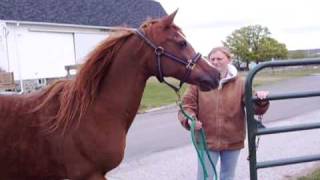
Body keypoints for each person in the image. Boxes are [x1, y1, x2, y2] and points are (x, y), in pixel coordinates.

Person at [177, 47, 270, 180]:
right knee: (205, 177)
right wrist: (190, 120)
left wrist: (260, 100)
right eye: (212, 59)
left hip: (232, 140)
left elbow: (255, 109)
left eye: (219, 58)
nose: (215, 62)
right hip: (206, 139)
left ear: (229, 60)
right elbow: (186, 106)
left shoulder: (241, 83)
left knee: (227, 176)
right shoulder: (198, 83)